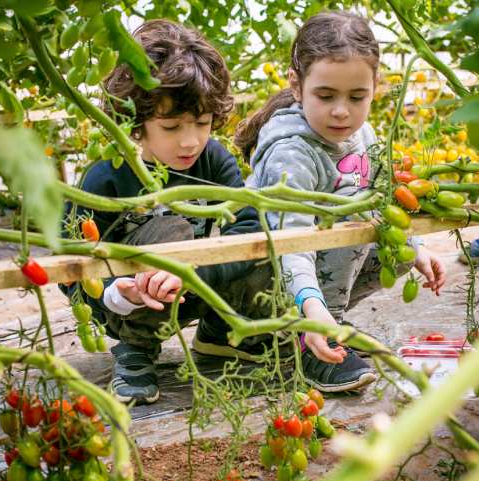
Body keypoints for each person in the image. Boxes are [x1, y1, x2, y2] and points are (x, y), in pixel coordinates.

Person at [235, 11, 447, 393]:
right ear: (296, 86)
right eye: (326, 95)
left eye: (357, 97)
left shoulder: (361, 132)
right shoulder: (292, 154)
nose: (341, 111)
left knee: (392, 242)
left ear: (375, 87)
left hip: (306, 267)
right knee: (353, 210)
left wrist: (416, 246)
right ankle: (312, 333)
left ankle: (323, 318)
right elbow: (290, 243)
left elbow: (381, 201)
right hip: (265, 273)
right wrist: (314, 312)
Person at [64, 20, 272, 405]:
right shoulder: (105, 176)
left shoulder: (212, 161)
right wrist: (115, 295)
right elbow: (71, 261)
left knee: (270, 238)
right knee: (170, 228)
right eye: (171, 125)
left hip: (190, 284)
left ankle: (219, 328)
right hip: (131, 302)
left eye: (203, 123)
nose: (190, 139)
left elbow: (247, 223)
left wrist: (195, 272)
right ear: (136, 122)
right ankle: (134, 346)